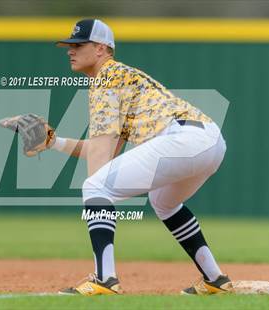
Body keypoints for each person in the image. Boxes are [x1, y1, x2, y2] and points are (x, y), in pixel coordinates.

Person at [50, 19, 232, 295]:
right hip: (209, 141)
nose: (70, 50)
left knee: (96, 186)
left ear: (101, 49)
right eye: (69, 45)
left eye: (78, 44)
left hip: (181, 140)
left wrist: (96, 198)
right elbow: (104, 149)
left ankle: (105, 280)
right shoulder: (120, 76)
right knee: (164, 202)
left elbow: (100, 164)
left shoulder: (107, 78)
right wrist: (54, 143)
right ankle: (215, 279)